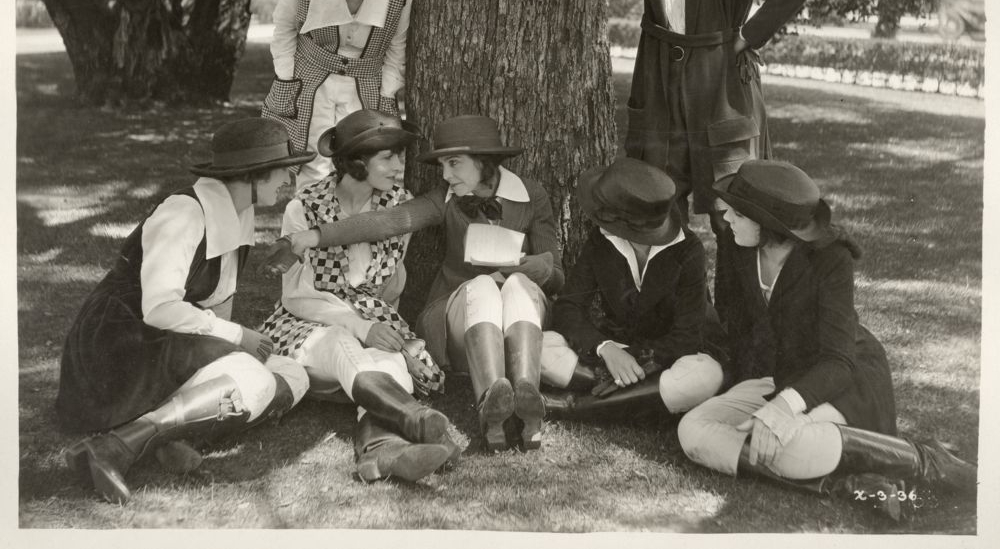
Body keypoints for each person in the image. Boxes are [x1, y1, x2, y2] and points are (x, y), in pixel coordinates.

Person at [676, 160, 977, 520]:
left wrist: (781, 409)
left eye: (738, 214)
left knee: (795, 444)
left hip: (844, 378)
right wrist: (749, 397)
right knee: (692, 430)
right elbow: (737, 324)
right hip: (782, 375)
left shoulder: (831, 259)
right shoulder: (737, 244)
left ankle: (925, 461)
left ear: (769, 222)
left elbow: (838, 361)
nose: (726, 220)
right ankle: (842, 484)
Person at [263, 115, 564, 453]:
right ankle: (490, 404)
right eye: (443, 165)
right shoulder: (444, 197)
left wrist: (537, 267)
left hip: (516, 317)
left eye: (454, 163)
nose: (446, 175)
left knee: (518, 285)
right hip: (460, 318)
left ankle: (526, 396)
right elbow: (385, 223)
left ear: (483, 160)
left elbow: (557, 275)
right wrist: (314, 236)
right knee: (481, 285)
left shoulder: (531, 195)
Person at [55, 119, 313, 504]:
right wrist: (237, 338)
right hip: (118, 344)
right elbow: (159, 309)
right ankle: (116, 446)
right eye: (282, 170)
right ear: (252, 174)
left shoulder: (239, 210)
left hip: (167, 342)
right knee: (255, 379)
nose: (288, 180)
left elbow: (215, 304)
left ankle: (153, 435)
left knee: (291, 373)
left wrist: (227, 345)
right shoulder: (184, 213)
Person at [577, 0, 814, 235]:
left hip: (720, 91)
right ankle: (680, 292)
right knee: (662, 203)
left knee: (732, 206)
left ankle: (741, 293)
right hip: (661, 92)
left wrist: (747, 37)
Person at [259, 109, 460, 483]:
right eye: (388, 157)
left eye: (401, 156)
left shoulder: (398, 204)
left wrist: (380, 333)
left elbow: (389, 287)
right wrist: (359, 326)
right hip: (308, 328)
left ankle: (381, 452)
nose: (400, 166)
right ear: (356, 162)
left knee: (388, 353)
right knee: (338, 339)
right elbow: (296, 297)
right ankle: (415, 419)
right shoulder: (302, 208)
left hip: (368, 325)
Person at [540, 158, 726, 422]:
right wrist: (605, 349)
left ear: (629, 224)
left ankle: (571, 407)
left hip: (667, 358)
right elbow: (568, 306)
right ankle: (641, 399)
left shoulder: (689, 251)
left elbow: (686, 338)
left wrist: (632, 360)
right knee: (540, 346)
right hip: (612, 350)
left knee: (707, 375)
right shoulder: (602, 239)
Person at [262, 0, 416, 187]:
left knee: (365, 160)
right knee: (313, 163)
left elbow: (398, 43)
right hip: (311, 78)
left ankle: (358, 229)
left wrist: (388, 90)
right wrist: (286, 78)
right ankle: (313, 228)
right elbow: (283, 29)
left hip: (367, 80)